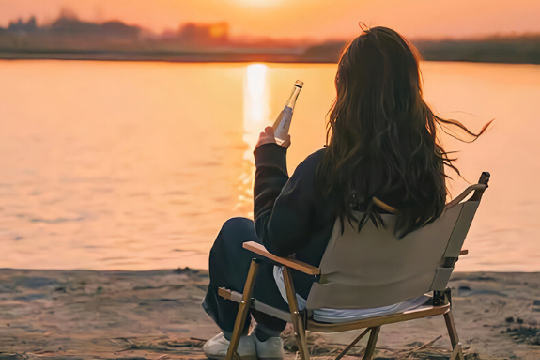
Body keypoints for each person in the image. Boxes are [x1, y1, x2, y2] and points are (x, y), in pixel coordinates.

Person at [201, 26, 490, 360]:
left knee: (238, 233)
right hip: (398, 296)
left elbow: (273, 240)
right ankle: (266, 339)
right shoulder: (427, 165)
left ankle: (234, 336)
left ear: (347, 90)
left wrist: (268, 160)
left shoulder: (327, 167)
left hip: (328, 302)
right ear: (411, 88)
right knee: (300, 248)